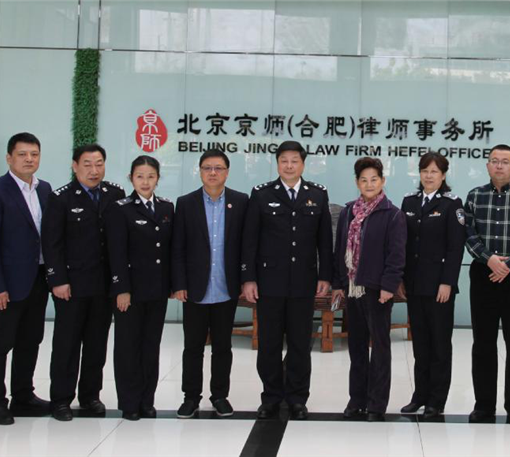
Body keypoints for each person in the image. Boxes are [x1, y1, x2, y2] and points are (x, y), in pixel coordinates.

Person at [241, 140, 332, 420]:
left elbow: (324, 240)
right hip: (269, 282)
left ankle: (297, 398)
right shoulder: (261, 194)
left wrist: (325, 276)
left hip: (304, 282)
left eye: (294, 161)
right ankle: (270, 397)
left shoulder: (317, 194)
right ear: (277, 163)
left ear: (303, 164)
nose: (289, 166)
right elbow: (250, 240)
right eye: (284, 161)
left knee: (299, 343)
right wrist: (248, 278)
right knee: (268, 343)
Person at [41, 143, 125, 421]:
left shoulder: (115, 194)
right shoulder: (60, 198)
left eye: (99, 164)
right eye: (87, 164)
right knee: (66, 344)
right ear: (75, 166)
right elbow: (51, 243)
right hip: (72, 285)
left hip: (103, 285)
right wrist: (57, 280)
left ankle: (90, 396)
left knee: (96, 343)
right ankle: (61, 399)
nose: (94, 170)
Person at [0, 133, 52, 425]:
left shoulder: (44, 189)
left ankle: (23, 396)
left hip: (38, 279)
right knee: (1, 343)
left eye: (34, 154)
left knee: (31, 340)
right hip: (7, 284)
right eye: (22, 154)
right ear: (9, 158)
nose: (29, 159)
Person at [464, 144, 510, 425]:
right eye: (494, 160)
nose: (499, 165)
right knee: (483, 343)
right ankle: (483, 405)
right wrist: (490, 259)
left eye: (505, 161)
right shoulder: (475, 196)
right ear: (487, 165)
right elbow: (469, 234)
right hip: (484, 275)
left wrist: (509, 264)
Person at [171, 149, 248, 418]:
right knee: (193, 347)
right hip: (195, 288)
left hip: (226, 287)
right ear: (200, 171)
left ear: (227, 172)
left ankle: (220, 395)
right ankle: (191, 397)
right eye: (207, 168)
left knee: (222, 347)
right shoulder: (186, 203)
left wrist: (245, 280)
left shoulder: (240, 201)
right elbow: (178, 247)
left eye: (218, 168)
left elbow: (246, 246)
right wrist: (179, 283)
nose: (212, 173)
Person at [332, 157, 406, 422]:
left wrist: (388, 286)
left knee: (380, 348)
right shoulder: (348, 212)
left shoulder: (392, 214)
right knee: (357, 347)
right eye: (364, 180)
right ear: (357, 182)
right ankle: (357, 400)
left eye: (374, 179)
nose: (369, 184)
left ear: (383, 181)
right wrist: (339, 284)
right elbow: (339, 250)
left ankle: (376, 404)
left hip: (377, 291)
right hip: (353, 289)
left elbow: (396, 255)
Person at [397, 153, 465, 419]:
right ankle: (420, 396)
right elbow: (402, 243)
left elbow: (455, 248)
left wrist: (448, 282)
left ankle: (437, 400)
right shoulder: (409, 201)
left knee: (439, 345)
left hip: (439, 287)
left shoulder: (451, 204)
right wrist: (401, 280)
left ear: (443, 175)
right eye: (425, 171)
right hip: (414, 285)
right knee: (420, 345)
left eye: (434, 171)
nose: (429, 176)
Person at [106, 156, 174, 421]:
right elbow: (116, 253)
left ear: (158, 178)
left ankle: (147, 400)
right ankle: (129, 402)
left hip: (157, 291)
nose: (145, 182)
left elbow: (169, 250)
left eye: (151, 176)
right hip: (130, 292)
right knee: (128, 347)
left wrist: (171, 285)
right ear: (131, 178)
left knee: (151, 346)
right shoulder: (120, 209)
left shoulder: (166, 207)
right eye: (140, 176)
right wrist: (121, 289)